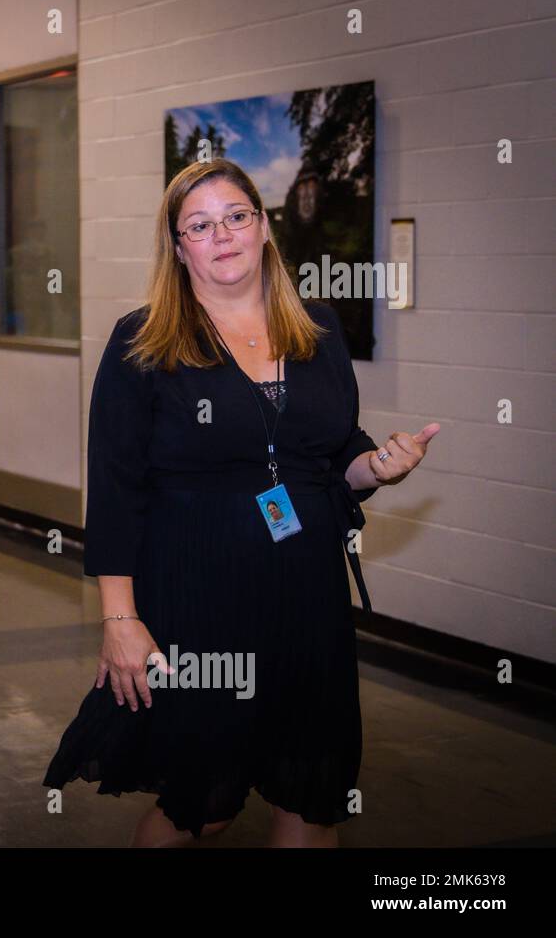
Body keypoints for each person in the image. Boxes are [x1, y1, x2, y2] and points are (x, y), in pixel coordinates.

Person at [44, 158, 439, 847]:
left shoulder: (316, 330)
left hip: (308, 600)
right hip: (200, 603)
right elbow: (114, 491)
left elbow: (334, 451)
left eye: (236, 216)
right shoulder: (144, 343)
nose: (221, 234)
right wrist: (119, 617)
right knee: (203, 802)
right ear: (178, 246)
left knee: (311, 797)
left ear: (263, 227)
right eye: (199, 224)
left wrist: (380, 466)